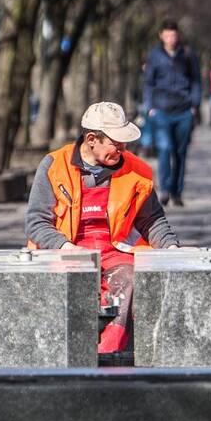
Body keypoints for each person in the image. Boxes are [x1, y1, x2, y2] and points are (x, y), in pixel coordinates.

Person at [25, 101, 180, 354]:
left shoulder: (137, 171)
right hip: (64, 251)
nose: (122, 149)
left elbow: (153, 221)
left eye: (124, 143)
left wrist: (172, 248)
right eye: (115, 143)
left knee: (129, 280)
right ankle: (64, 355)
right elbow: (36, 223)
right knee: (71, 286)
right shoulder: (54, 166)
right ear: (91, 139)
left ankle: (109, 356)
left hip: (114, 251)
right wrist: (67, 248)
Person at [142, 19, 200, 206]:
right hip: (161, 110)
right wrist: (149, 106)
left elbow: (196, 80)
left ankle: (177, 191)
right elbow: (149, 82)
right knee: (165, 149)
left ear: (178, 35)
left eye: (173, 35)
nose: (170, 39)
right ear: (161, 35)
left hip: (184, 110)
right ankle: (165, 189)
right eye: (167, 35)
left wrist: (194, 104)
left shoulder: (188, 55)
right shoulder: (154, 56)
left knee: (180, 152)